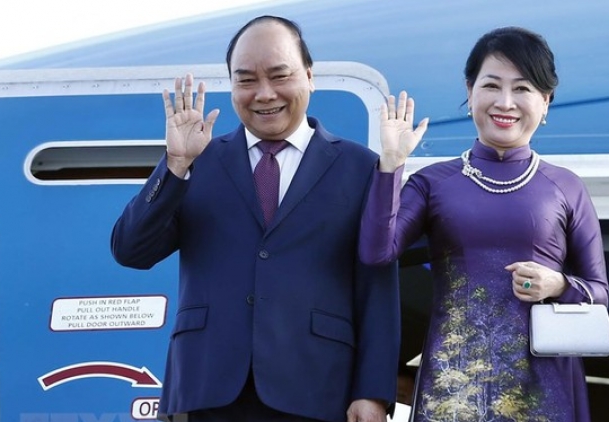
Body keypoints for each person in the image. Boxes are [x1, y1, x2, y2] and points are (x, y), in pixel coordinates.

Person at [111, 15, 401, 422]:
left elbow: (377, 288)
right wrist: (175, 164)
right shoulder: (198, 160)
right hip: (205, 390)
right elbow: (131, 251)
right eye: (246, 80)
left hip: (318, 388)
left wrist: (372, 392)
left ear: (309, 77)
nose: (264, 94)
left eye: (280, 76)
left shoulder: (360, 167)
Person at [359, 26, 609, 422]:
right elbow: (376, 253)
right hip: (454, 385)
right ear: (470, 91)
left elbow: (600, 292)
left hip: (544, 389)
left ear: (545, 101)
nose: (505, 102)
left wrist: (559, 285)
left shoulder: (566, 186)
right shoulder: (432, 182)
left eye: (522, 89)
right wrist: (391, 164)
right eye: (491, 85)